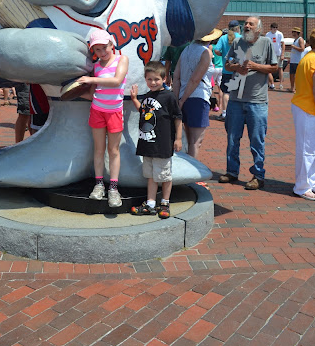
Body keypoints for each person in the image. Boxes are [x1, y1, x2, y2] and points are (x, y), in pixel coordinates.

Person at [219, 17, 277, 190]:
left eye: (251, 24)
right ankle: (231, 172)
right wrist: (236, 67)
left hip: (257, 101)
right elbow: (227, 64)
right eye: (246, 24)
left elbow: (274, 67)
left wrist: (255, 66)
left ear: (258, 29)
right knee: (232, 138)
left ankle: (258, 175)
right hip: (236, 100)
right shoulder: (237, 42)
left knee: (257, 141)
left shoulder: (266, 42)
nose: (247, 26)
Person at [76, 29, 128, 208]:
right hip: (97, 111)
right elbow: (92, 94)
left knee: (113, 151)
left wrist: (90, 81)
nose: (102, 52)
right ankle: (99, 185)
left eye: (104, 47)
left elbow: (117, 81)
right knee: (99, 150)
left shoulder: (122, 59)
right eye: (97, 50)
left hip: (115, 112)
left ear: (111, 44)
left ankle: (113, 188)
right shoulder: (96, 67)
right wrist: (69, 90)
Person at [130, 61, 182, 218]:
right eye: (149, 79)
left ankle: (165, 202)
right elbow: (145, 112)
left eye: (156, 79)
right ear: (145, 79)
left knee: (164, 175)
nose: (153, 82)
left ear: (164, 79)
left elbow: (178, 118)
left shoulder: (169, 96)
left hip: (162, 144)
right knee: (151, 176)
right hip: (148, 143)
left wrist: (178, 138)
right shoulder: (147, 96)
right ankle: (151, 203)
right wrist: (134, 99)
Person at [173, 28, 222, 160]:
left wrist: (177, 99)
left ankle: (187, 170)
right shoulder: (205, 53)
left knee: (189, 139)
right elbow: (195, 79)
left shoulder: (186, 50)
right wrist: (182, 100)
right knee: (196, 141)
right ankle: (192, 172)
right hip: (198, 98)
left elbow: (176, 77)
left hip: (183, 95)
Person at [291, 27, 315, 200]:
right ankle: (302, 186)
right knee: (308, 149)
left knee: (313, 148)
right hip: (309, 109)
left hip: (304, 106)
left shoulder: (309, 57)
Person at [215, 20, 241, 121]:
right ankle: (237, 114)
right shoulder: (241, 38)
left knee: (226, 92)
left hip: (226, 69)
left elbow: (217, 50)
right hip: (238, 69)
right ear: (238, 27)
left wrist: (224, 56)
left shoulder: (223, 38)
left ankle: (225, 113)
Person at [265, 22, 285, 90]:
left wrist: (282, 54)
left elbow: (283, 44)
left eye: (276, 28)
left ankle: (281, 84)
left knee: (280, 68)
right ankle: (272, 84)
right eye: (274, 28)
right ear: (271, 28)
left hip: (278, 54)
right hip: (271, 54)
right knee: (269, 69)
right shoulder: (268, 34)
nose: (275, 29)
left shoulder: (279, 34)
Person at [289, 27, 305, 92]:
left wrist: (294, 47)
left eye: (293, 32)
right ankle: (292, 88)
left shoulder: (300, 39)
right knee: (291, 74)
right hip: (293, 60)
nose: (292, 33)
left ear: (296, 32)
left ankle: (299, 88)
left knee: (298, 76)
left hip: (298, 61)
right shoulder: (295, 40)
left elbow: (302, 49)